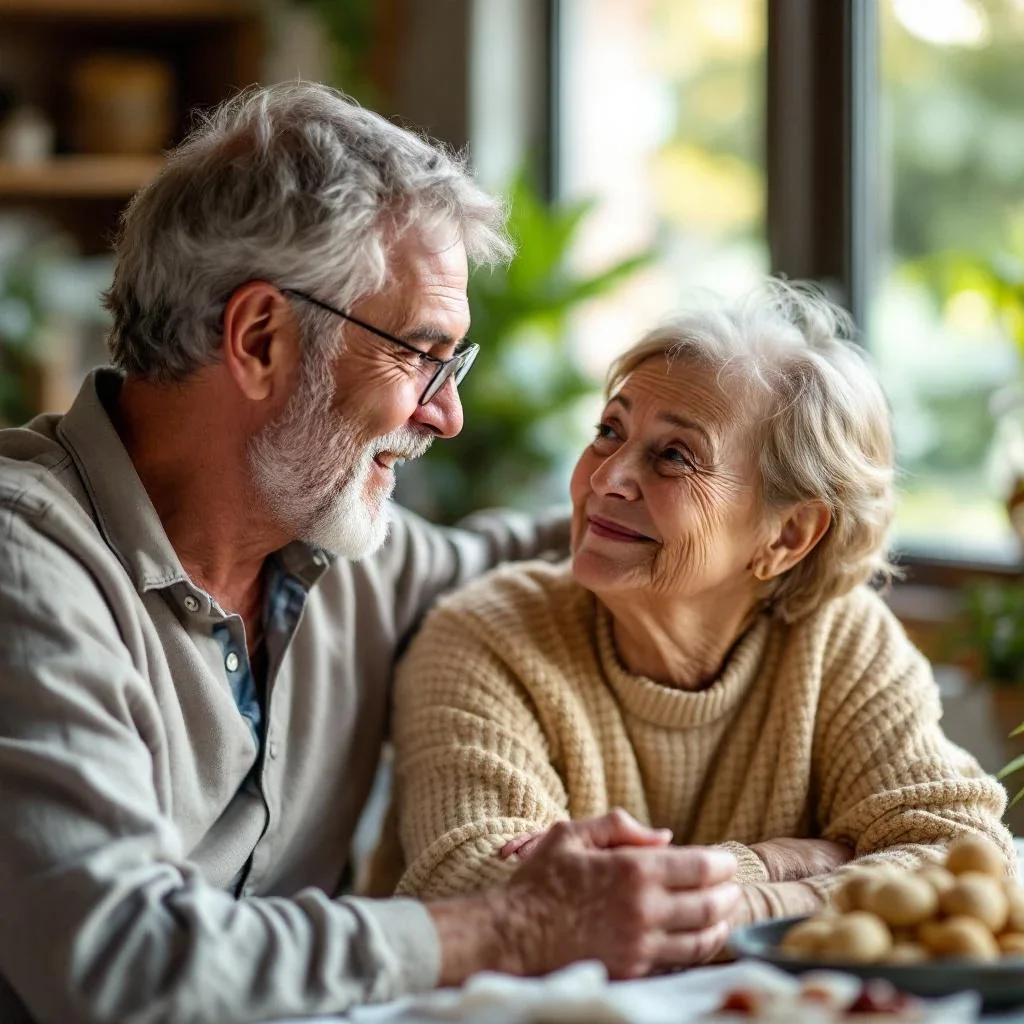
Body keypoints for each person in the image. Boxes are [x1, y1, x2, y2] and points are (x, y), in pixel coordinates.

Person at [0, 83, 743, 1024]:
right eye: (419, 353)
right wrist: (513, 927)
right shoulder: (26, 561)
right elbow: (123, 962)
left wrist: (752, 507)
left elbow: (564, 544)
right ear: (261, 337)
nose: (447, 412)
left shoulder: (335, 547)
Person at [378, 282, 1015, 924]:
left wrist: (754, 894)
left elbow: (960, 854)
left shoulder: (840, 642)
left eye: (674, 456)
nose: (605, 477)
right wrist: (797, 860)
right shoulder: (487, 635)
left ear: (787, 535)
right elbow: (467, 889)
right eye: (609, 430)